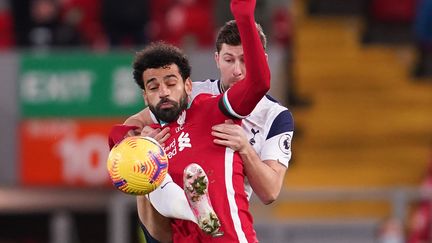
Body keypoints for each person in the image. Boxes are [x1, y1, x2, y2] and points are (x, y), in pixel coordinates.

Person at [109, 0, 271, 241]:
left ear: (187, 85)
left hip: (231, 238)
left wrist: (244, 15)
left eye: (171, 83)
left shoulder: (214, 108)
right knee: (144, 167)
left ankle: (196, 208)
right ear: (145, 97)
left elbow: (258, 84)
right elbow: (115, 136)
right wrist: (135, 142)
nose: (163, 91)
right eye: (153, 87)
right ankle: (195, 209)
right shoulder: (152, 138)